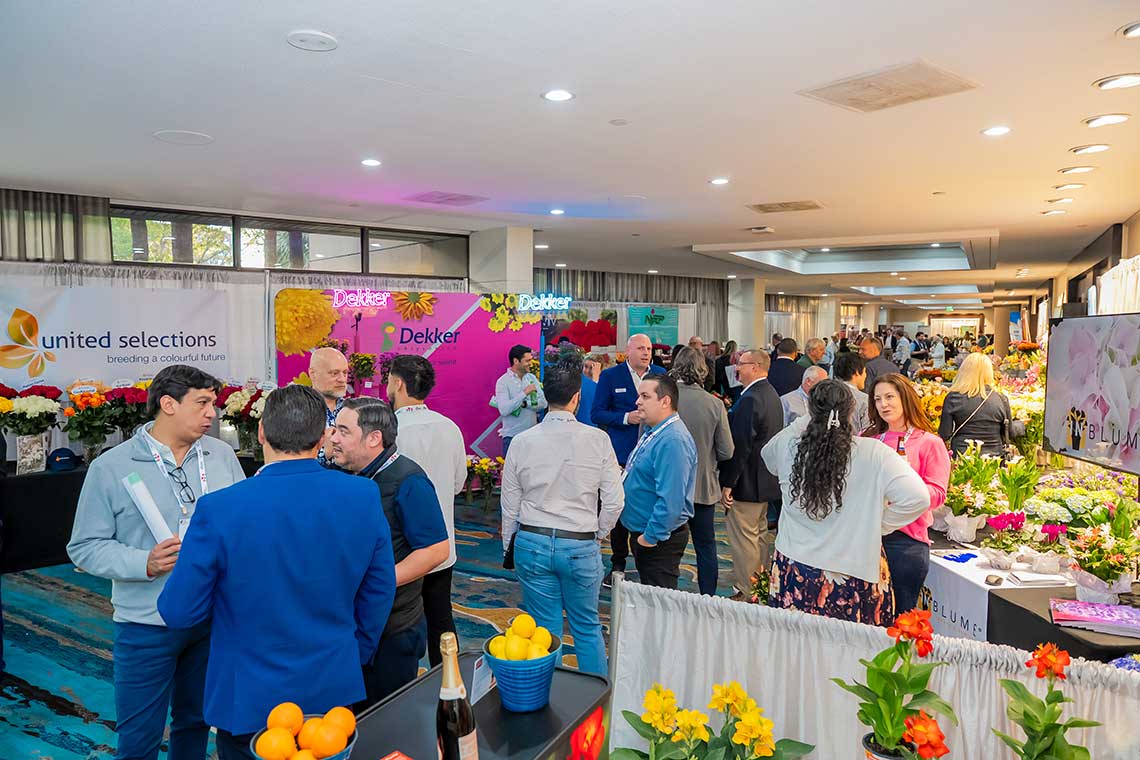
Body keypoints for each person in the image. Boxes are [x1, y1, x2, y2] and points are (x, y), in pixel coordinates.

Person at [156, 386, 397, 759]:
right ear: (322, 437)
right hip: (331, 682)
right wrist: (353, 651)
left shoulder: (220, 509)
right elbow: (379, 589)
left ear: (261, 432)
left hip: (248, 694)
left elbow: (178, 611)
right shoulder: (361, 495)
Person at [67, 365, 246, 760]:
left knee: (196, 723)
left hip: (211, 621)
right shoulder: (111, 467)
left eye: (213, 404)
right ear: (168, 404)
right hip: (145, 624)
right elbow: (84, 546)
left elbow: (243, 526)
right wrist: (143, 562)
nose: (212, 413)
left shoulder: (221, 456)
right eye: (202, 403)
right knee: (139, 738)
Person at [760, 381, 929, 624]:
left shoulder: (789, 447)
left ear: (810, 410)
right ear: (850, 412)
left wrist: (811, 417)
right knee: (853, 644)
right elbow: (918, 498)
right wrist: (878, 525)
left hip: (796, 567)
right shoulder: (874, 453)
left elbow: (767, 455)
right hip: (854, 570)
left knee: (797, 643)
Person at [500, 357, 623, 675]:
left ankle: (547, 700)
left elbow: (510, 504)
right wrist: (598, 534)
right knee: (587, 627)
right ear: (577, 397)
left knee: (544, 632)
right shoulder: (598, 440)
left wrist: (508, 546)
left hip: (532, 541)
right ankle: (597, 701)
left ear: (545, 396)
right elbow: (614, 502)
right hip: (580, 543)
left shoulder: (522, 442)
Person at [328, 398, 450, 705]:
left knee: (386, 717)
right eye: (334, 429)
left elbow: (436, 550)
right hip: (351, 624)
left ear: (373, 438)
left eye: (343, 431)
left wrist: (380, 581)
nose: (333, 437)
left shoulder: (409, 480)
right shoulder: (347, 474)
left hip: (392, 629)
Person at [386, 355, 467, 667]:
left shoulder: (390, 431)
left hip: (401, 551)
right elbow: (459, 484)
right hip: (441, 547)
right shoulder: (449, 427)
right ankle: (449, 683)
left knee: (398, 626)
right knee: (442, 621)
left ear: (398, 384)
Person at [863, 374, 950, 614]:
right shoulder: (867, 439)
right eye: (878, 399)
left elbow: (938, 493)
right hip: (866, 539)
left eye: (889, 397)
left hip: (905, 543)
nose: (883, 404)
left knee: (900, 620)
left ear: (905, 398)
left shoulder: (929, 443)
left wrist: (903, 494)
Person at [591, 334, 665, 584]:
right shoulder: (611, 376)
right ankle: (618, 563)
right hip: (621, 456)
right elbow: (597, 413)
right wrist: (626, 418)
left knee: (651, 504)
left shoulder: (660, 375)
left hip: (653, 454)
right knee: (619, 507)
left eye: (649, 349)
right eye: (641, 348)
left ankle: (648, 560)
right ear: (628, 351)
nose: (646, 353)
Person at [619, 374, 697, 589]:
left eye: (645, 396)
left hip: (658, 540)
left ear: (665, 401)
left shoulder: (672, 440)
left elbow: (671, 501)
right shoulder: (654, 431)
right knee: (651, 599)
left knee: (659, 602)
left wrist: (649, 538)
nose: (637, 402)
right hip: (647, 532)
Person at [719, 350, 783, 598]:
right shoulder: (770, 394)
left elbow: (741, 446)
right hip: (763, 480)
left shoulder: (751, 399)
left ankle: (748, 593)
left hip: (746, 482)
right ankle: (761, 588)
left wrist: (728, 483)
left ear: (755, 366)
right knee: (759, 537)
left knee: (744, 540)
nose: (737, 368)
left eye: (741, 364)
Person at [670, 347, 734, 596]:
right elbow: (727, 451)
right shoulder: (715, 404)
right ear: (703, 370)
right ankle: (707, 597)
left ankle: (665, 594)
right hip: (702, 486)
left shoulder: (664, 399)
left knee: (666, 546)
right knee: (706, 546)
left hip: (668, 486)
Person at [938, 352, 1013, 458]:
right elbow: (1009, 432)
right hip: (993, 458)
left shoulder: (953, 398)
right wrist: (1021, 425)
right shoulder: (1001, 399)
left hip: (962, 456)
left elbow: (944, 434)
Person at [494, 344, 547, 457]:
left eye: (531, 360)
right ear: (516, 361)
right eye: (527, 361)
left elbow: (543, 403)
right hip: (512, 437)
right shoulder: (503, 382)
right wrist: (524, 393)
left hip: (532, 436)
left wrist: (525, 404)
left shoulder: (531, 378)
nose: (531, 363)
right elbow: (504, 410)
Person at [309, 346, 349, 466]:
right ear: (313, 374)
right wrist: (325, 454)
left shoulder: (351, 410)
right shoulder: (298, 411)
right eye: (334, 373)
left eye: (345, 373)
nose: (342, 379)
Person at [833, 351, 871, 432]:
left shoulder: (824, 394)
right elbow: (868, 432)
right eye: (865, 371)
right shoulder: (864, 399)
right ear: (857, 372)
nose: (865, 375)